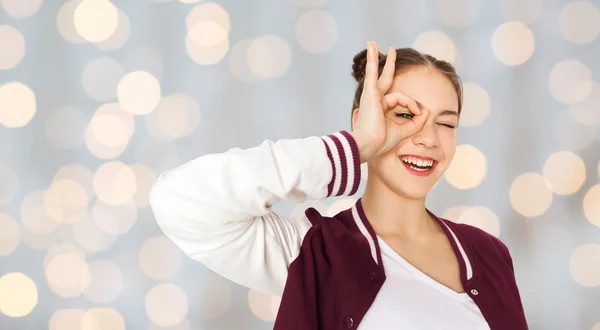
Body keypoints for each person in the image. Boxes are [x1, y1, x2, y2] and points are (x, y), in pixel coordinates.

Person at [149, 41, 528, 330]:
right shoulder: (313, 253)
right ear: (366, 121)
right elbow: (178, 200)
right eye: (404, 116)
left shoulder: (489, 254)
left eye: (446, 123)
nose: (428, 138)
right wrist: (357, 145)